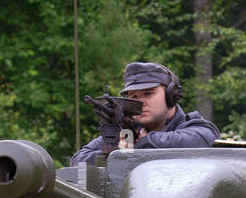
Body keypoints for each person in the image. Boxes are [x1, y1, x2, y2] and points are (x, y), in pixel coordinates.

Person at [71, 62, 219, 165]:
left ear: (171, 95)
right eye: (134, 97)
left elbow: (206, 139)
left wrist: (145, 142)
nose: (141, 102)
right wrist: (117, 154)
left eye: (148, 94)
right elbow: (79, 159)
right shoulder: (127, 132)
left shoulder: (191, 127)